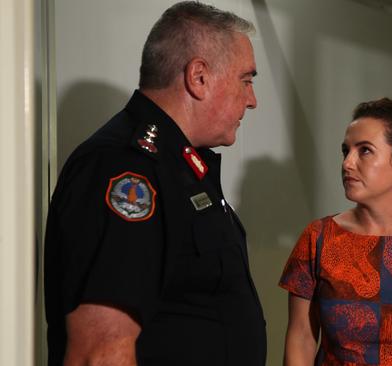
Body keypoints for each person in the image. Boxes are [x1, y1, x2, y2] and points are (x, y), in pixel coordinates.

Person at [44, 2, 266, 365]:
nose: (252, 100)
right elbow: (100, 350)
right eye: (246, 80)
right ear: (199, 77)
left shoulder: (177, 166)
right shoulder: (126, 169)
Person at [280, 98, 392, 365]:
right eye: (346, 151)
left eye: (365, 151)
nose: (347, 163)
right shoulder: (318, 238)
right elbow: (301, 337)